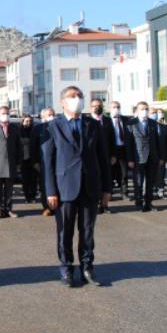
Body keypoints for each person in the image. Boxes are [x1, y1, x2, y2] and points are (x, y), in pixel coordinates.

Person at [41, 86, 111, 287]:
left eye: (80, 96)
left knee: (87, 231)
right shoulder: (52, 126)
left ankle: (87, 268)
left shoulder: (93, 125)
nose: (77, 99)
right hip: (64, 188)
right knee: (65, 232)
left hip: (90, 186)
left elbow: (103, 158)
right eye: (72, 97)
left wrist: (106, 189)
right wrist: (50, 191)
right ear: (62, 102)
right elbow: (48, 162)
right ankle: (66, 269)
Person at [126, 102, 164, 212]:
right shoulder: (131, 124)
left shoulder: (153, 123)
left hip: (152, 157)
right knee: (138, 181)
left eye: (146, 109)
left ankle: (148, 203)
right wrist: (130, 159)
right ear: (137, 110)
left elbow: (158, 140)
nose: (145, 111)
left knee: (150, 182)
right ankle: (139, 201)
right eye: (142, 109)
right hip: (138, 157)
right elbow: (129, 143)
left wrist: (161, 157)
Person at [90, 99, 114, 213]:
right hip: (93, 156)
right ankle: (95, 204)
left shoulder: (108, 121)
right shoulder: (88, 121)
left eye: (99, 105)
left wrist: (114, 155)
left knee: (106, 179)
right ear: (91, 108)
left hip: (106, 154)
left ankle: (105, 205)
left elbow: (112, 138)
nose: (97, 108)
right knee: (95, 180)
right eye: (94, 106)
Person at [33, 108, 56, 216]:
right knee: (45, 185)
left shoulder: (58, 127)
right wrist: (35, 162)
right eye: (49, 115)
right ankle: (46, 207)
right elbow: (33, 146)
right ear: (43, 117)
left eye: (53, 114)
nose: (52, 116)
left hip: (58, 161)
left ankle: (57, 206)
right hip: (43, 162)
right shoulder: (37, 128)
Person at [109, 101, 131, 200]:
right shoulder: (106, 121)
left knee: (124, 173)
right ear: (110, 108)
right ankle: (109, 193)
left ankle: (124, 192)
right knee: (109, 173)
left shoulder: (126, 120)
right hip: (111, 150)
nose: (116, 109)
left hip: (123, 149)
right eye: (114, 107)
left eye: (118, 107)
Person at [19, 114, 37, 203]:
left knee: (33, 179)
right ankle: (27, 197)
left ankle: (33, 196)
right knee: (25, 179)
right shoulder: (19, 130)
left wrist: (26, 141)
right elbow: (19, 142)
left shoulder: (34, 130)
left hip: (33, 158)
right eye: (26, 121)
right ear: (22, 121)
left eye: (30, 121)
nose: (28, 123)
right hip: (23, 158)